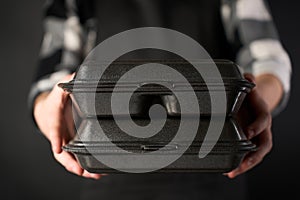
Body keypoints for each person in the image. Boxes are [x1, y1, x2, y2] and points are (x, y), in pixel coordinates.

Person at [28, 0, 292, 199]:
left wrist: (259, 98)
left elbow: (269, 61)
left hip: (214, 179)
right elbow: (52, 81)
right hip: (110, 182)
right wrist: (49, 110)